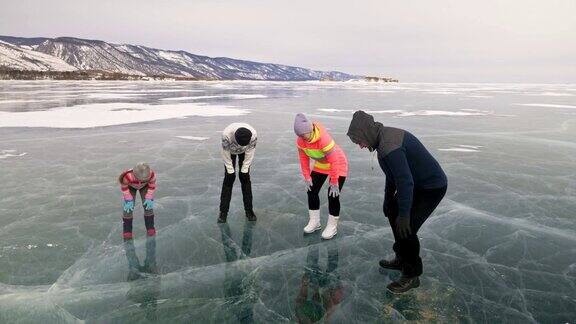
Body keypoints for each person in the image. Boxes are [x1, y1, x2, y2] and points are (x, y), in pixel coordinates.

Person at [347, 110, 447, 293]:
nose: (360, 146)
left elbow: (404, 182)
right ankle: (401, 258)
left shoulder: (389, 145)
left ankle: (412, 274)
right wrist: (388, 201)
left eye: (359, 141)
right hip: (416, 184)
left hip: (431, 187)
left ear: (366, 133)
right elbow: (393, 176)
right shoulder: (381, 141)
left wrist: (404, 214)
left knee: (407, 227)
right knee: (395, 211)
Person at [294, 113, 348, 240]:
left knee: (332, 194)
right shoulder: (301, 141)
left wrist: (334, 181)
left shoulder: (324, 139)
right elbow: (303, 159)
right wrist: (307, 177)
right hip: (322, 164)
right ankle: (315, 222)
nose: (302, 137)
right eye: (299, 135)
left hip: (338, 164)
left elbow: (334, 161)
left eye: (303, 134)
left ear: (310, 130)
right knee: (311, 190)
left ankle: (332, 226)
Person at [218, 123, 258, 223]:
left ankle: (249, 211)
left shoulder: (253, 135)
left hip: (245, 153)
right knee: (228, 179)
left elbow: (250, 152)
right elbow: (225, 153)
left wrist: (244, 169)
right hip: (230, 152)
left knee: (245, 178)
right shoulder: (226, 135)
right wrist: (230, 170)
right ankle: (223, 212)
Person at [118, 163, 157, 240]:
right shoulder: (128, 176)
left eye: (145, 179)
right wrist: (128, 199)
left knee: (148, 206)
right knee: (128, 208)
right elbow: (124, 186)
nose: (143, 180)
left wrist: (149, 196)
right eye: (141, 179)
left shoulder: (152, 175)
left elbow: (152, 185)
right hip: (131, 186)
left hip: (145, 187)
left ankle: (150, 227)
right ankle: (127, 230)